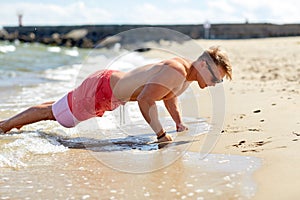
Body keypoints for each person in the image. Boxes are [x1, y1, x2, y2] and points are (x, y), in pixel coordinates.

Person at [0, 46, 232, 143]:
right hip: (103, 90)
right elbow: (145, 99)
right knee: (59, 115)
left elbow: (169, 97)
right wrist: (161, 134)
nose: (214, 84)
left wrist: (178, 123)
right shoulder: (176, 70)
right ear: (203, 65)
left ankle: (14, 122)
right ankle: (6, 125)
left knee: (57, 108)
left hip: (107, 86)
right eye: (215, 78)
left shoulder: (184, 75)